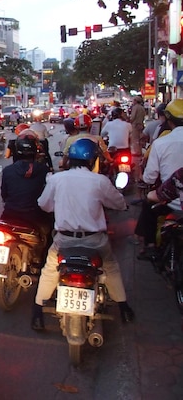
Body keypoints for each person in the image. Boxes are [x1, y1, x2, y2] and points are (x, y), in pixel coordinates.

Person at [31, 138, 134, 330]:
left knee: (50, 270)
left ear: (69, 159)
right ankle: (123, 307)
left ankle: (38, 311)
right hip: (95, 241)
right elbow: (118, 203)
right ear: (93, 160)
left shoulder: (56, 179)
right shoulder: (100, 181)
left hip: (64, 240)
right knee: (111, 267)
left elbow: (43, 205)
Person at [135, 99, 183, 259]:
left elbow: (149, 178)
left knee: (148, 204)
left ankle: (149, 246)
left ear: (168, 120)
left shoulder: (161, 143)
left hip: (170, 201)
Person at [0, 136, 53, 260]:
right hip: (35, 218)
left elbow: (4, 195)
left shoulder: (8, 171)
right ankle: (42, 264)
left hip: (9, 215)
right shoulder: (44, 170)